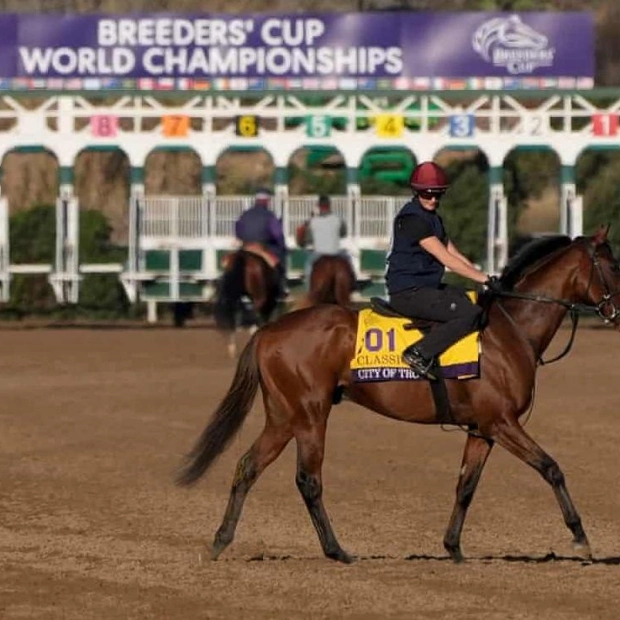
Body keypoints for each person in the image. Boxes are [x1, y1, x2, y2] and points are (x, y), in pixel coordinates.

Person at [385, 161, 501, 380]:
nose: (433, 200)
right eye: (428, 195)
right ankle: (418, 353)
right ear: (416, 192)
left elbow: (456, 255)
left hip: (425, 288)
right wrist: (485, 278)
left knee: (469, 298)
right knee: (469, 313)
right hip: (408, 292)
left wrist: (484, 277)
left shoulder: (433, 218)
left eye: (438, 195)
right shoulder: (412, 220)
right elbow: (446, 259)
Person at [234, 188, 288, 297]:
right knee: (279, 264)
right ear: (267, 201)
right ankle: (281, 288)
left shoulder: (245, 214)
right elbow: (277, 235)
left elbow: (238, 231)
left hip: (245, 247)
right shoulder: (270, 216)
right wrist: (282, 247)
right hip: (263, 247)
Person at [297, 194, 354, 287]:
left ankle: (309, 289)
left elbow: (308, 240)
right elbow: (343, 234)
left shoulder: (313, 221)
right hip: (336, 253)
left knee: (309, 268)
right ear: (329, 205)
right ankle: (352, 284)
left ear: (318, 206)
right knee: (348, 261)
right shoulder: (338, 219)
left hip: (319, 253)